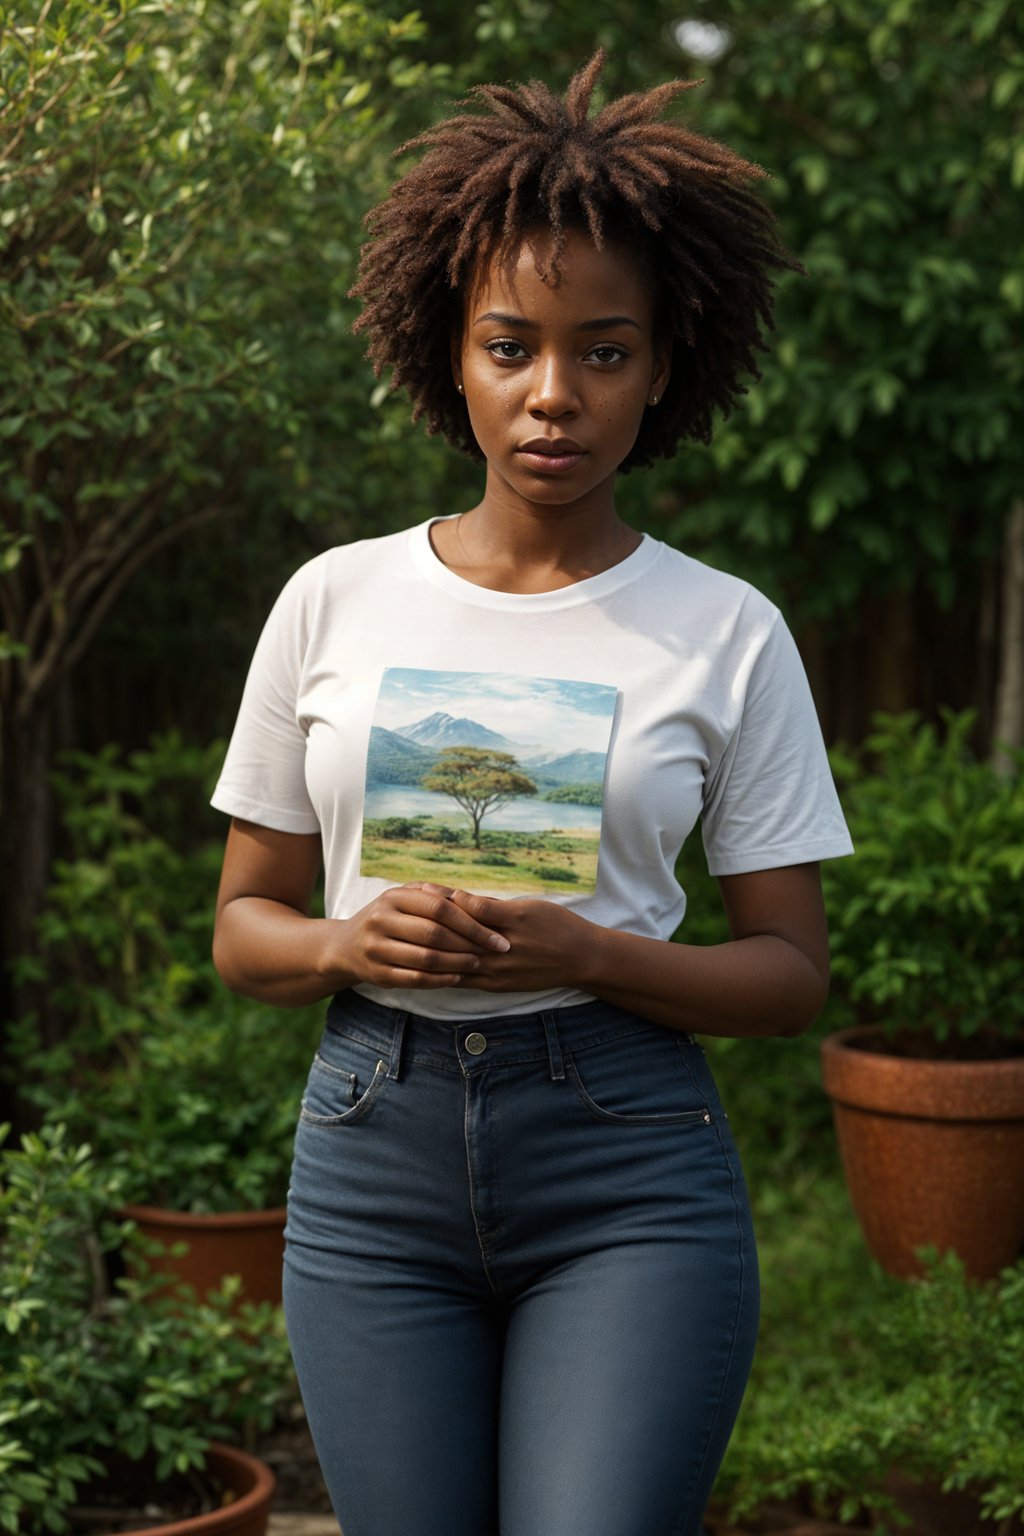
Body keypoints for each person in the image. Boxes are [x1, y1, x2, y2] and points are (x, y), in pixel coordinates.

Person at [210, 50, 854, 1536]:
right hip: (372, 1152)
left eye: (603, 351)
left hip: (625, 1164)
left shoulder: (728, 631)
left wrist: (593, 956)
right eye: (512, 345)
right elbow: (245, 927)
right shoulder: (332, 601)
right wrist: (341, 945)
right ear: (450, 352)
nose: (553, 394)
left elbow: (789, 976)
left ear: (666, 364)